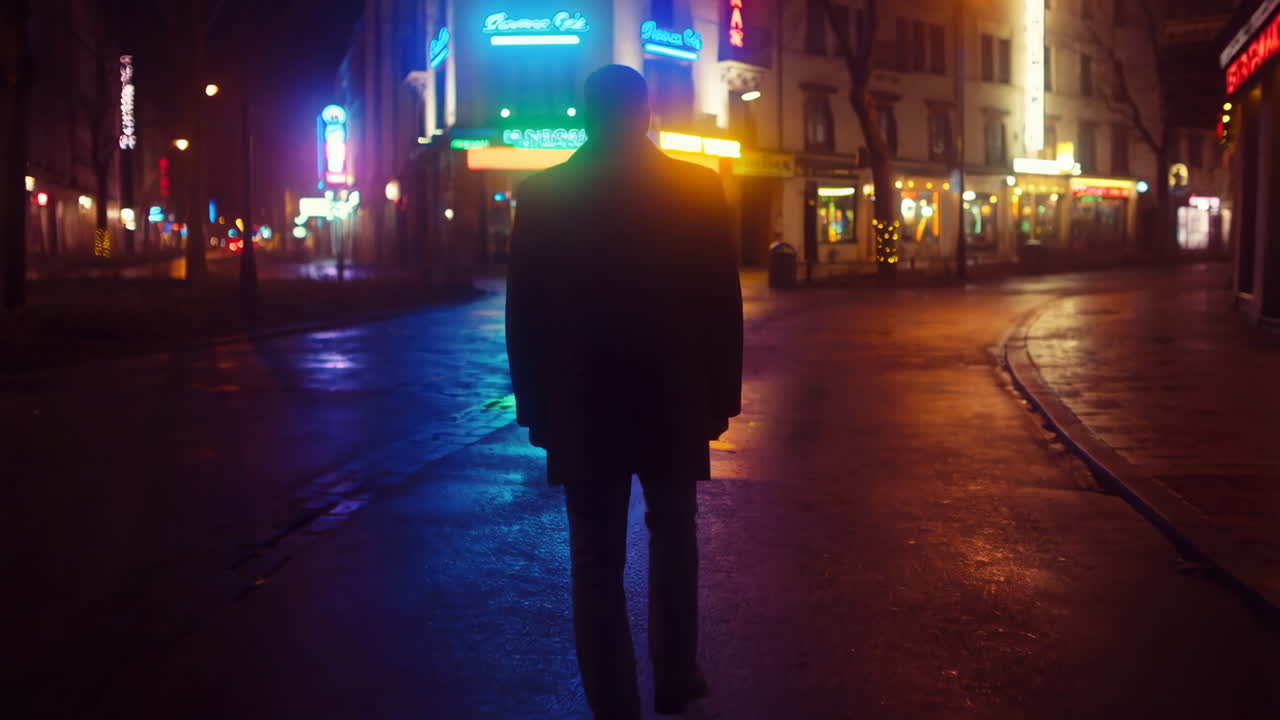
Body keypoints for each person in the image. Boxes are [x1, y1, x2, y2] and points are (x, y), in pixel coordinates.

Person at [505, 64, 743, 719]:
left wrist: (533, 403)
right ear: (646, 114)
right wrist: (721, 394)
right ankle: (674, 673)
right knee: (674, 531)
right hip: (671, 393)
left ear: (584, 115)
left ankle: (613, 700)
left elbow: (524, 311)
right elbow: (721, 302)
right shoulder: (696, 188)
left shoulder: (546, 193)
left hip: (582, 401)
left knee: (594, 555)